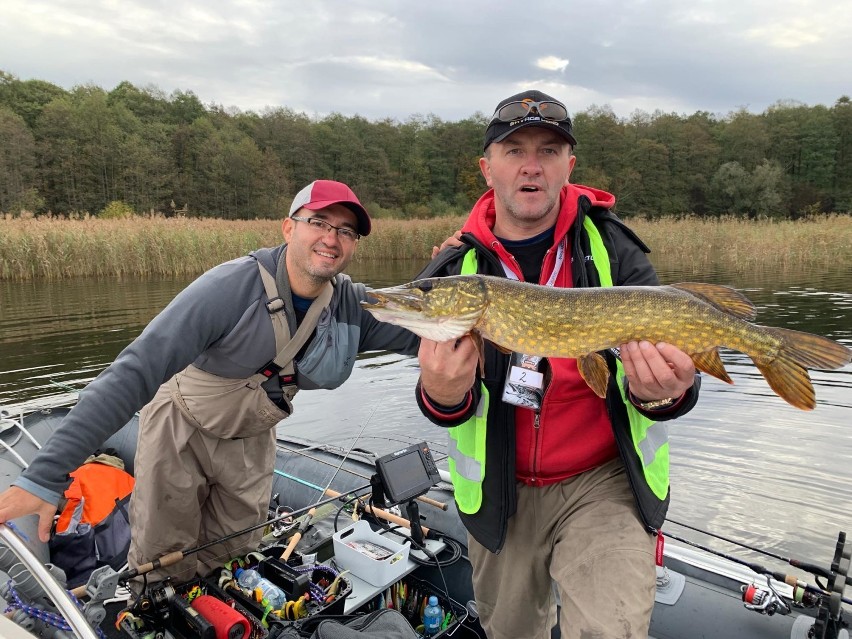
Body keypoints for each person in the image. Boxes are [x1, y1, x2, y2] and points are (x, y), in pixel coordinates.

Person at [0, 179, 418, 583]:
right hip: (181, 430)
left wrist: (448, 269)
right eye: (319, 223)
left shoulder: (352, 305)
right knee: (161, 561)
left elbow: (427, 330)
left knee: (236, 554)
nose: (332, 238)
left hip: (252, 439)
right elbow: (134, 372)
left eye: (346, 231)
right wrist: (45, 476)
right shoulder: (229, 288)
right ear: (289, 227)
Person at [414, 90, 701, 639]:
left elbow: (674, 381)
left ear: (569, 166)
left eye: (548, 151)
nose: (531, 165)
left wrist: (664, 390)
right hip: (502, 493)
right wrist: (444, 394)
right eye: (514, 149)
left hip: (604, 484)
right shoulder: (454, 267)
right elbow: (443, 401)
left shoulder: (614, 249)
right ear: (487, 167)